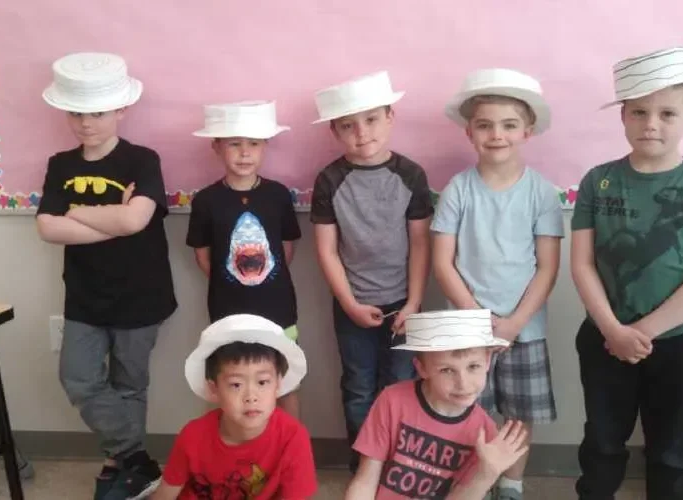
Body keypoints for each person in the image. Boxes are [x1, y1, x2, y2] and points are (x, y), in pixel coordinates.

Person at [570, 46, 683, 500]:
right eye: (639, 112)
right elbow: (581, 264)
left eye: (667, 113)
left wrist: (641, 331)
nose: (651, 124)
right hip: (604, 339)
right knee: (602, 443)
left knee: (672, 449)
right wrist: (613, 331)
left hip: (678, 345)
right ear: (623, 115)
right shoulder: (597, 180)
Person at [34, 52, 178, 500]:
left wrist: (77, 212)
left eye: (96, 111)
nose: (85, 122)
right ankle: (137, 459)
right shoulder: (61, 164)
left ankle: (121, 466)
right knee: (78, 377)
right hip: (83, 296)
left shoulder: (141, 160)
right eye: (76, 112)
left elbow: (136, 222)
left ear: (120, 109)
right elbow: (47, 227)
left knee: (129, 384)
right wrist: (110, 216)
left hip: (141, 295)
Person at [431, 68, 564, 500]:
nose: (497, 134)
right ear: (469, 132)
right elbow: (442, 262)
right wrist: (478, 318)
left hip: (524, 330)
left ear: (527, 131)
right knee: (469, 409)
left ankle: (511, 485)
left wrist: (512, 323)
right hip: (467, 331)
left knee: (517, 415)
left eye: (509, 125)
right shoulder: (457, 190)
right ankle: (477, 484)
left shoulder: (541, 193)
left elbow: (547, 268)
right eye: (485, 125)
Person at [309, 70, 435, 473]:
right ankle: (366, 465)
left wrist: (414, 302)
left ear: (390, 117)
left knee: (400, 385)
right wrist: (348, 303)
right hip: (353, 306)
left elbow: (419, 242)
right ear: (334, 131)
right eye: (348, 125)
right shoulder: (330, 180)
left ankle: (398, 465)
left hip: (404, 303)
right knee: (359, 386)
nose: (361, 133)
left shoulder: (411, 174)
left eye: (372, 119)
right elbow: (326, 249)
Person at [185, 100, 304, 419]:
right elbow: (203, 255)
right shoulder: (206, 201)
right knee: (233, 381)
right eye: (234, 144)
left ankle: (291, 452)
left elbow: (286, 249)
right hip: (228, 310)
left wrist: (263, 282)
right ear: (216, 147)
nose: (244, 152)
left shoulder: (278, 195)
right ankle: (238, 450)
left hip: (277, 307)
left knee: (284, 381)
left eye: (253, 144)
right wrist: (236, 286)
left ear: (265, 146)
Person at [345, 309, 527, 500]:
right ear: (422, 368)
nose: (463, 384)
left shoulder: (484, 433)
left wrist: (486, 475)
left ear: (487, 361)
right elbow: (365, 481)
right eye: (447, 370)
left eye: (473, 366)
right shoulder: (392, 401)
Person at [150, 314, 317, 499]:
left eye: (262, 382)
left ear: (278, 384)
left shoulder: (293, 438)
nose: (251, 397)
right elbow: (164, 495)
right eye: (236, 385)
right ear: (214, 389)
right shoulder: (192, 436)